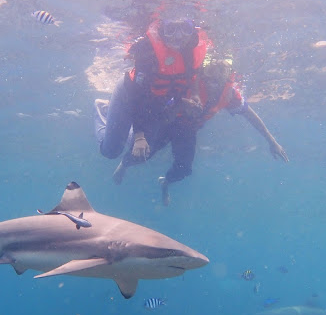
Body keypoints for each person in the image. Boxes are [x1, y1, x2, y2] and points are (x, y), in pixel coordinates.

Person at [108, 58, 289, 205]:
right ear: (203, 74)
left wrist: (272, 142)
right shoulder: (188, 83)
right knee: (142, 154)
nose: (211, 84)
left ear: (226, 80)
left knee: (184, 169)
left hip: (188, 130)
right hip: (167, 123)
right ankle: (124, 164)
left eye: (216, 81)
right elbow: (159, 108)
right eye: (208, 79)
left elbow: (251, 116)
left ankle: (166, 183)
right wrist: (182, 104)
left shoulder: (230, 94)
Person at [94, 14, 210, 166]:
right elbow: (137, 96)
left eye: (185, 29)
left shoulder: (193, 50)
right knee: (111, 151)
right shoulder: (148, 52)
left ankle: (123, 125)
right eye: (171, 29)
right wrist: (139, 136)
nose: (179, 36)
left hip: (153, 104)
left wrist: (194, 95)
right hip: (129, 96)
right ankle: (102, 109)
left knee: (144, 150)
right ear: (161, 31)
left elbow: (195, 72)